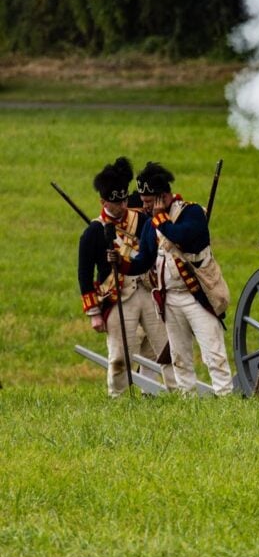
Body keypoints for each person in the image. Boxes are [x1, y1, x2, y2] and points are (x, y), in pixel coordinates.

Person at [110, 162, 233, 395]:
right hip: (170, 299)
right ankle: (187, 399)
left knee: (213, 354)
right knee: (179, 357)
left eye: (149, 202)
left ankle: (225, 396)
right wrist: (121, 264)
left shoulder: (191, 213)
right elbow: (144, 261)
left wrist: (160, 219)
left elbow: (181, 237)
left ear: (163, 196)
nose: (145, 208)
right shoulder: (152, 223)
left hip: (197, 295)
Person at [78, 157, 175, 396]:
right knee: (120, 356)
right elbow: (84, 273)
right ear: (103, 201)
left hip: (147, 291)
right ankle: (117, 397)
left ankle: (175, 392)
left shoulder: (140, 219)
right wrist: (94, 314)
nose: (121, 205)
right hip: (118, 297)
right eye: (115, 201)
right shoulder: (93, 232)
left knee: (165, 348)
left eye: (123, 199)